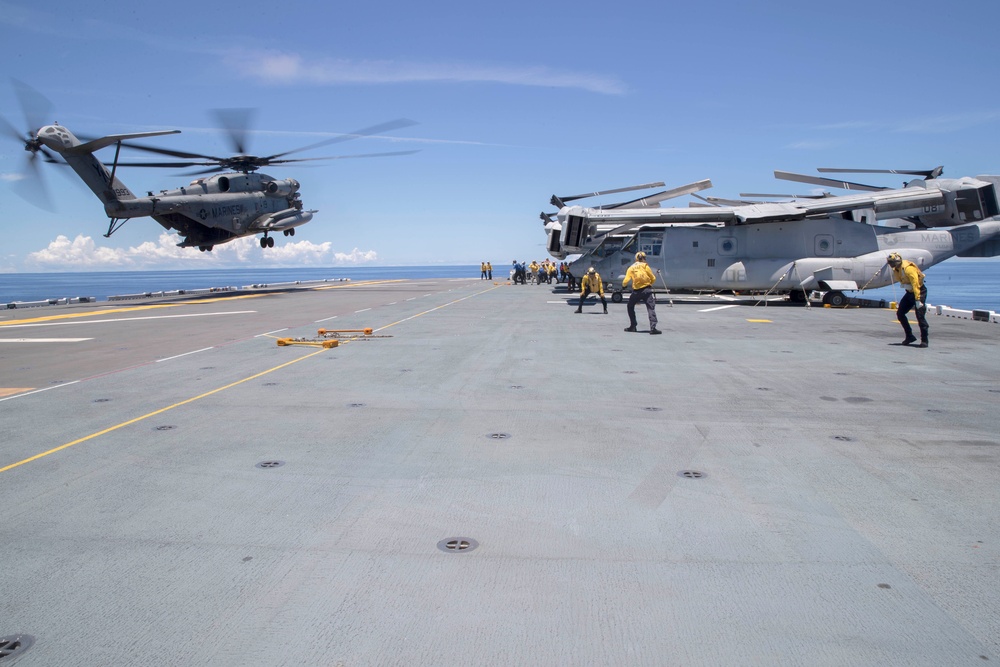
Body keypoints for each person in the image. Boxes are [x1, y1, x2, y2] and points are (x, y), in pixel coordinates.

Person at [887, 252, 929, 347]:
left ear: (897, 261)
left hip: (919, 292)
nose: (891, 265)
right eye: (890, 263)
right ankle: (909, 336)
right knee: (900, 313)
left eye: (892, 263)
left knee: (920, 316)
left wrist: (918, 299)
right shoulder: (897, 269)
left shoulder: (908, 269)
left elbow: (915, 284)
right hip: (910, 292)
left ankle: (924, 340)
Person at [622, 251, 660, 334]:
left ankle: (633, 326)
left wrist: (623, 285)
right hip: (647, 290)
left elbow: (626, 280)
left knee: (630, 306)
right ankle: (653, 328)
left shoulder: (631, 268)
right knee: (650, 308)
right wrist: (649, 284)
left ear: (636, 258)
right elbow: (653, 278)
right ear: (644, 258)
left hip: (636, 291)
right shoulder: (645, 266)